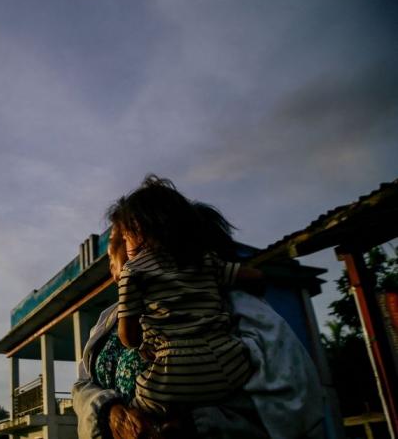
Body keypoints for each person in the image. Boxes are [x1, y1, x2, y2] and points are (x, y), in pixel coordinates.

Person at [72, 177, 325, 438]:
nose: (113, 253)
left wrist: (195, 426)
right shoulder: (109, 319)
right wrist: (110, 413)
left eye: (121, 238)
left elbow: (294, 405)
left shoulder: (233, 306)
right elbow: (83, 384)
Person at [109, 176, 260, 419]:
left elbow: (128, 336)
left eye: (124, 238)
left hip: (174, 372)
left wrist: (143, 343)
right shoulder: (205, 260)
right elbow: (254, 277)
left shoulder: (134, 272)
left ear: (137, 232)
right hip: (231, 365)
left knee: (137, 415)